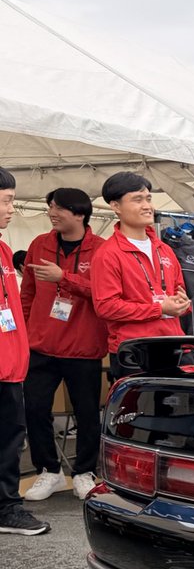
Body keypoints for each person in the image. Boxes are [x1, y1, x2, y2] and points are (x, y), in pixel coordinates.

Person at [19, 188, 106, 500]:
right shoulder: (38, 244)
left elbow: (104, 295)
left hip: (84, 348)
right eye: (50, 207)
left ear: (80, 214)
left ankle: (84, 471)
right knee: (35, 408)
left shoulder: (102, 250)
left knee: (86, 413)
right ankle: (49, 471)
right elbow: (27, 293)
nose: (52, 213)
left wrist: (63, 278)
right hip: (41, 345)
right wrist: (25, 334)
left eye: (58, 208)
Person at [89, 172, 190, 380]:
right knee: (143, 411)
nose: (147, 206)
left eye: (149, 198)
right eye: (137, 199)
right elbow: (106, 306)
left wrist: (182, 303)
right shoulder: (108, 254)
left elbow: (180, 293)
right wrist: (159, 308)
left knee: (181, 411)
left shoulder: (164, 249)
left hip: (174, 344)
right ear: (115, 206)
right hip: (136, 351)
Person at [0, 166, 49, 535]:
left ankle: (6, 508)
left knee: (10, 441)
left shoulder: (3, 249)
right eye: (6, 201)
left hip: (12, 367)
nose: (11, 209)